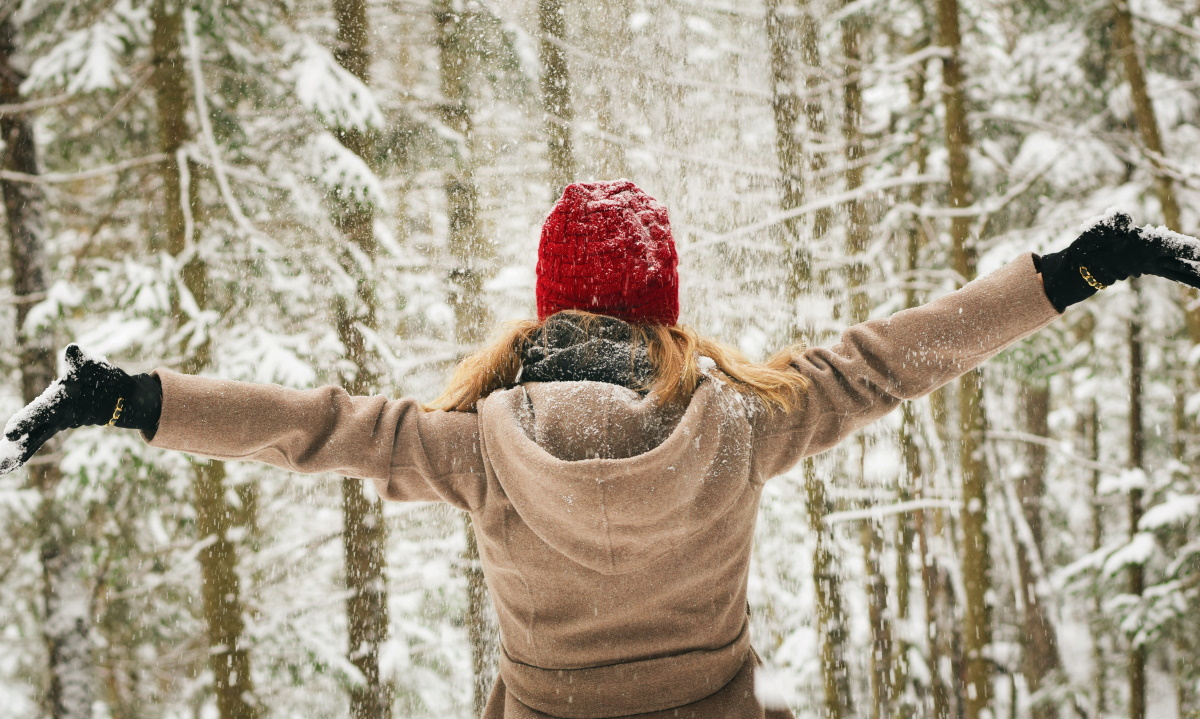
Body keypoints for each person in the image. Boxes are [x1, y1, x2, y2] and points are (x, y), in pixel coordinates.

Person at [3, 180, 1199, 718]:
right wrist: (1075, 270)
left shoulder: (476, 449)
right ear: (662, 308)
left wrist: (130, 396)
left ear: (544, 309)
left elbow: (310, 426)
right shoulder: (742, 422)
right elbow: (893, 357)